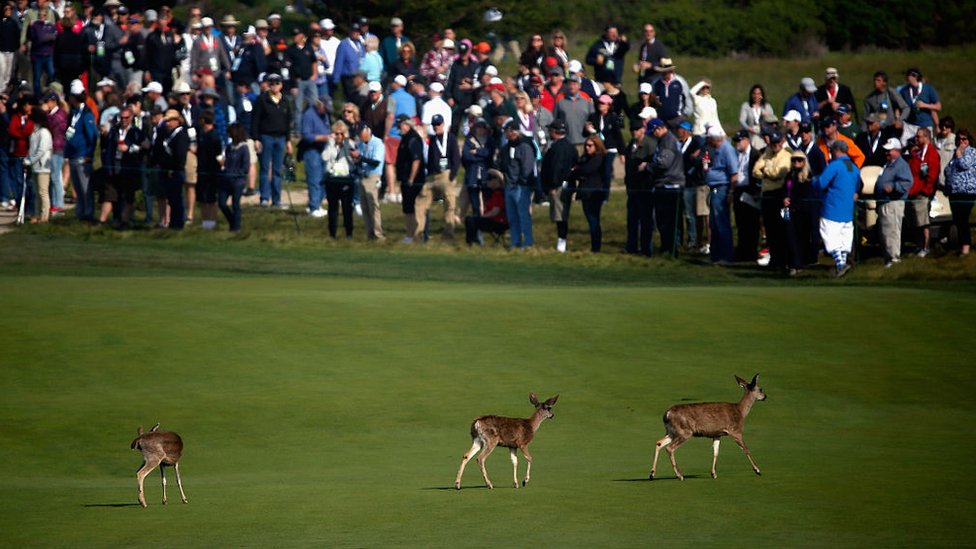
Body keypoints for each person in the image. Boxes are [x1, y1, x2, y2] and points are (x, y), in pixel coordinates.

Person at [812, 140, 860, 277]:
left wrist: (813, 181)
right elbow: (858, 184)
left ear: (836, 150)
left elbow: (821, 183)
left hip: (832, 208)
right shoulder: (853, 166)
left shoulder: (835, 166)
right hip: (847, 210)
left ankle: (840, 264)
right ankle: (842, 268)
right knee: (844, 241)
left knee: (831, 239)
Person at [753, 131, 795, 273]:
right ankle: (774, 260)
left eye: (778, 143)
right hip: (767, 195)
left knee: (781, 229)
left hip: (779, 195)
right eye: (773, 143)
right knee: (770, 230)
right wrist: (768, 171)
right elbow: (755, 170)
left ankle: (783, 261)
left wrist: (765, 171)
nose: (775, 145)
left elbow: (779, 174)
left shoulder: (786, 155)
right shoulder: (767, 153)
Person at [251, 73, 293, 208]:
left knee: (277, 169)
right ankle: (264, 197)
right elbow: (255, 120)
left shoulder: (285, 100)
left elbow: (288, 122)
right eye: (272, 83)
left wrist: (288, 140)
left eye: (277, 83)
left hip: (280, 137)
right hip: (266, 136)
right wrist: (256, 138)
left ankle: (277, 199)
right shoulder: (262, 99)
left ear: (281, 85)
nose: (274, 85)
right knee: (264, 168)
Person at [101, 106, 143, 226]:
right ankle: (116, 218)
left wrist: (128, 148)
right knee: (114, 193)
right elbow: (108, 148)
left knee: (128, 194)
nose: (124, 120)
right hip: (115, 164)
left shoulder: (135, 132)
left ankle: (125, 219)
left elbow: (142, 146)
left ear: (131, 118)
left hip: (129, 164)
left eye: (126, 118)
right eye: (122, 117)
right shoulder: (115, 131)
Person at [540, 119, 578, 252]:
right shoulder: (570, 146)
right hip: (568, 184)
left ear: (555, 132)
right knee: (563, 214)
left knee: (560, 216)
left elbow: (555, 168)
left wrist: (552, 185)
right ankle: (562, 241)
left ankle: (561, 242)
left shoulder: (556, 148)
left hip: (558, 186)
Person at [647, 118, 683, 257]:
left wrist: (648, 166)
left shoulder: (667, 141)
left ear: (659, 128)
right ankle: (667, 247)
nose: (653, 135)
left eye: (653, 132)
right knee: (666, 220)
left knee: (667, 220)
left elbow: (664, 163)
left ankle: (671, 249)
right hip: (668, 183)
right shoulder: (667, 140)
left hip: (669, 184)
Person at [874, 138, 913, 267]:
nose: (887, 153)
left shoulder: (901, 165)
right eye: (886, 151)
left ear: (897, 151)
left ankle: (894, 259)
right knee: (885, 232)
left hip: (893, 203)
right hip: (884, 203)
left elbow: (907, 182)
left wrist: (893, 187)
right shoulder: (888, 164)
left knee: (892, 231)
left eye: (889, 151)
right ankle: (888, 259)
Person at [703, 126, 739, 264]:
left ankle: (725, 255)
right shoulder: (717, 150)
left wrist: (730, 192)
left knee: (721, 222)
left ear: (714, 138)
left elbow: (734, 173)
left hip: (722, 188)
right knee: (714, 223)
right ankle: (715, 255)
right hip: (715, 189)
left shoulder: (727, 149)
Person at [499, 120, 537, 249]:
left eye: (508, 131)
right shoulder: (506, 148)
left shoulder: (524, 146)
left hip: (520, 186)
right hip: (508, 185)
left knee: (523, 215)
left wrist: (521, 181)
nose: (507, 134)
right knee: (512, 216)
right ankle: (515, 241)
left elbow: (527, 166)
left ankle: (528, 241)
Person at [65, 81, 98, 221]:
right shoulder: (73, 113)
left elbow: (92, 136)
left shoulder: (86, 114)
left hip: (82, 156)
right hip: (72, 156)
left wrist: (89, 155)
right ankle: (80, 212)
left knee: (85, 188)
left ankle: (88, 213)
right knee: (77, 188)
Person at [570, 135, 609, 252]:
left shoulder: (599, 157)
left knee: (593, 220)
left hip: (594, 193)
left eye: (590, 145)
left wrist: (577, 170)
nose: (587, 148)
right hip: (586, 192)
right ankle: (595, 246)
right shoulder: (586, 157)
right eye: (586, 145)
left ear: (596, 146)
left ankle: (596, 247)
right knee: (591, 219)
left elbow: (587, 169)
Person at [906, 127, 940, 257]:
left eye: (919, 137)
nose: (916, 139)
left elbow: (932, 174)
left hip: (922, 193)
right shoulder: (917, 154)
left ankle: (926, 247)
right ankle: (918, 246)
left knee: (923, 222)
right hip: (913, 192)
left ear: (926, 138)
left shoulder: (931, 154)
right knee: (916, 222)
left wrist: (925, 191)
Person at [424, 113, 460, 238]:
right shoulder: (432, 139)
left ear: (443, 124)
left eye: (438, 124)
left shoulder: (451, 138)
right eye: (434, 125)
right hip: (433, 175)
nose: (436, 127)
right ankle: (420, 233)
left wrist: (452, 175)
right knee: (422, 201)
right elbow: (430, 159)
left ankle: (449, 233)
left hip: (446, 174)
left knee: (449, 204)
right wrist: (428, 174)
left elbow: (456, 158)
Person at [155, 109, 189, 230]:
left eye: (170, 121)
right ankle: (173, 223)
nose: (167, 123)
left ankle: (178, 223)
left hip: (175, 171)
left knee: (177, 198)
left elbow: (180, 156)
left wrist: (174, 168)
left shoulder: (181, 135)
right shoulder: (169, 134)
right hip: (168, 170)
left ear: (177, 121)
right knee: (172, 198)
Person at [394, 114, 425, 243]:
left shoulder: (413, 139)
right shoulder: (405, 138)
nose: (398, 128)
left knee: (414, 208)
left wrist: (411, 178)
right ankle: (409, 234)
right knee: (407, 208)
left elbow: (416, 160)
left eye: (400, 125)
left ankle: (415, 234)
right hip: (405, 180)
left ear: (407, 124)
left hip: (414, 181)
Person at [944, 129, 975, 256]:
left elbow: (965, 165)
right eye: (959, 139)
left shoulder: (972, 152)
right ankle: (961, 244)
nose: (961, 142)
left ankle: (966, 247)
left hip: (966, 192)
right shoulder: (955, 153)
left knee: (963, 219)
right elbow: (948, 170)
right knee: (957, 219)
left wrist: (959, 154)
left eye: (964, 139)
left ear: (969, 141)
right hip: (954, 192)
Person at [732, 129, 761, 261]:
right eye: (736, 141)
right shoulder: (736, 154)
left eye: (739, 140)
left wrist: (756, 191)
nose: (737, 143)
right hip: (738, 191)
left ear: (747, 140)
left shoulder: (755, 154)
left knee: (752, 223)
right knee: (740, 223)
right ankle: (742, 250)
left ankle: (751, 251)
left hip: (750, 191)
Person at [300, 98, 331, 217]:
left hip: (323, 150)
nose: (326, 111)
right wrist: (323, 138)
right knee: (314, 180)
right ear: (319, 105)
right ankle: (314, 207)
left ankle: (315, 204)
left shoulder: (325, 115)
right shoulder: (309, 115)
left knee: (323, 179)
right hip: (311, 150)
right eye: (325, 108)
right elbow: (306, 135)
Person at [354, 122, 384, 240]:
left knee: (373, 206)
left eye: (360, 133)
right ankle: (369, 233)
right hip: (363, 175)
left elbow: (376, 161)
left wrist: (360, 157)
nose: (359, 136)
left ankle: (378, 234)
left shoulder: (378, 143)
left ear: (367, 130)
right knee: (365, 207)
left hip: (373, 176)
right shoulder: (361, 144)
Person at [464, 168, 508, 245]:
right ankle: (474, 241)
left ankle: (471, 242)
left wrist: (483, 217)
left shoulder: (499, 194)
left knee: (471, 220)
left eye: (489, 180)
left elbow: (495, 211)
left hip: (498, 222)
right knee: (471, 219)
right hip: (493, 220)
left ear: (495, 181)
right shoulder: (492, 193)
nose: (487, 182)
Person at [218, 123, 249, 231]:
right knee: (221, 203)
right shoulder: (229, 147)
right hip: (226, 180)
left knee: (235, 204)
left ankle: (236, 228)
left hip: (238, 182)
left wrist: (234, 173)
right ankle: (232, 221)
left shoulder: (244, 148)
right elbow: (226, 162)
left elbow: (245, 167)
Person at [195, 111, 222, 230]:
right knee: (202, 197)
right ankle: (205, 221)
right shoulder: (202, 134)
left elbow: (218, 155)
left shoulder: (214, 136)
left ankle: (212, 221)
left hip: (211, 171)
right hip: (202, 170)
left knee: (211, 198)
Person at [27, 107, 52, 223]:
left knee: (43, 192)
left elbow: (41, 150)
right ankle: (37, 215)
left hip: (43, 167)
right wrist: (28, 159)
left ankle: (44, 216)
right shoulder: (35, 132)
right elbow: (32, 149)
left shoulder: (44, 133)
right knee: (36, 193)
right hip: (35, 166)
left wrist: (30, 160)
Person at [740, 84, 775, 151]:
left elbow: (773, 121)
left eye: (758, 94)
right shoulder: (746, 106)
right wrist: (749, 128)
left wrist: (767, 116)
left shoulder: (767, 106)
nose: (756, 96)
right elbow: (742, 121)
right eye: (754, 94)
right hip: (751, 133)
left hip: (763, 134)